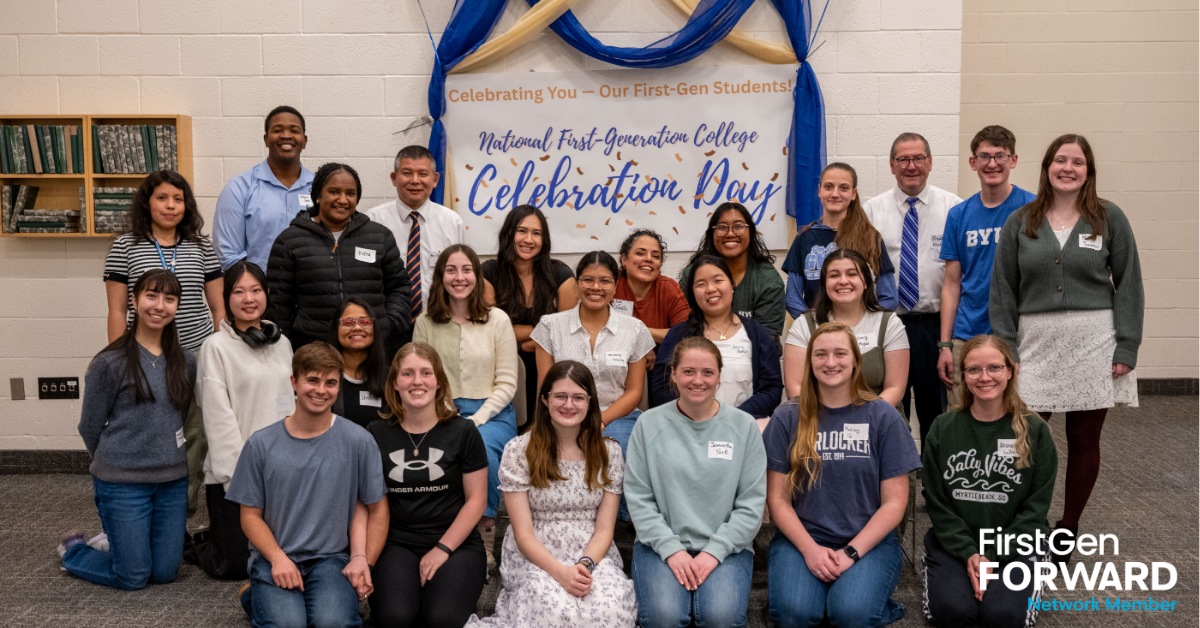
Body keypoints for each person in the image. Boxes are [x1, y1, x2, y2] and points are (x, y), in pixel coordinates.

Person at [990, 133, 1143, 554]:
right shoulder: (1021, 221)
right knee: (1022, 436)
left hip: (1094, 339)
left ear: (1088, 172)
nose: (1068, 168)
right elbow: (1003, 289)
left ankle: (1067, 528)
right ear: (1046, 168)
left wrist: (1126, 346)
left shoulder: (1109, 218)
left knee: (1084, 440)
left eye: (1078, 162)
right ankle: (1025, 520)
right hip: (1034, 342)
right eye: (1060, 160)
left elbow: (1129, 283)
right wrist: (1007, 350)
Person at [763, 322, 921, 628]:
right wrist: (810, 550)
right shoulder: (787, 417)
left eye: (840, 353)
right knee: (794, 615)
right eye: (820, 354)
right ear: (809, 362)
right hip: (802, 538)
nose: (830, 362)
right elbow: (778, 500)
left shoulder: (883, 416)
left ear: (856, 361)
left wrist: (850, 553)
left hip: (867, 540)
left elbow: (894, 505)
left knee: (851, 615)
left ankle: (867, 603)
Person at [227, 342, 388, 628]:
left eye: (330, 382)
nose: (320, 390)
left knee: (332, 623)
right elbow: (249, 517)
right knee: (289, 625)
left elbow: (377, 509)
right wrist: (277, 559)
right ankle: (257, 596)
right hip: (276, 555)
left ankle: (269, 600)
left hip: (331, 559)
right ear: (294, 382)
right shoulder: (260, 444)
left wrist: (365, 561)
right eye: (312, 380)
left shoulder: (358, 441)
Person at [466, 361, 637, 628]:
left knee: (610, 610)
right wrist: (561, 573)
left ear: (590, 402)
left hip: (591, 550)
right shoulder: (519, 451)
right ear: (545, 399)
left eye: (578, 397)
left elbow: (605, 530)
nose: (569, 404)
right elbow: (523, 534)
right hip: (536, 551)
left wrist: (585, 565)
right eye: (560, 395)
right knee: (555, 611)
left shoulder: (608, 452)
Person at [62, 270, 196, 590]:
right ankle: (75, 550)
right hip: (122, 483)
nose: (159, 305)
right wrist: (116, 463)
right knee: (133, 577)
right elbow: (89, 426)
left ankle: (126, 545)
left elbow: (182, 416)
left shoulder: (186, 362)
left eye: (169, 298)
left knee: (164, 573)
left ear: (177, 306)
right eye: (151, 295)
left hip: (171, 481)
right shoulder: (109, 362)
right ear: (134, 300)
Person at [103, 169, 223, 515]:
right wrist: (119, 360)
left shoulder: (201, 245)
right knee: (154, 429)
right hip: (145, 355)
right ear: (147, 202)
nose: (171, 206)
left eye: (178, 199)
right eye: (162, 198)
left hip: (196, 351)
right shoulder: (126, 245)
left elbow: (217, 306)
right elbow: (116, 310)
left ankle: (179, 510)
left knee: (196, 433)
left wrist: (221, 352)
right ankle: (144, 503)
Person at [627, 337, 767, 628]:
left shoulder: (744, 427)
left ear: (719, 376)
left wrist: (714, 552)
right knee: (664, 618)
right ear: (673, 374)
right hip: (660, 545)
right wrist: (672, 549)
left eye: (708, 372)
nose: (698, 381)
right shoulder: (648, 424)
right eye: (688, 371)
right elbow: (639, 498)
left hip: (727, 547)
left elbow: (751, 505)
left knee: (721, 618)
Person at [922, 335, 1058, 628]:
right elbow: (938, 502)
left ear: (1011, 371)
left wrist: (991, 556)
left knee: (1003, 616)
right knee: (953, 612)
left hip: (1019, 542)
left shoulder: (1036, 430)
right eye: (974, 370)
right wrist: (971, 553)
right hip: (957, 541)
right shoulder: (943, 428)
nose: (984, 377)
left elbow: (1035, 509)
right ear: (963, 376)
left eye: (994, 368)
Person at [366, 343, 489, 628]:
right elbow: (368, 503)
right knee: (395, 618)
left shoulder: (464, 432)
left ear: (439, 382)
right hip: (396, 543)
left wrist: (442, 549)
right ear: (395, 383)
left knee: (442, 619)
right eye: (407, 374)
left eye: (425, 373)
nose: (417, 381)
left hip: (456, 544)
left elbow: (476, 501)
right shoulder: (376, 433)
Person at [414, 244, 518, 562]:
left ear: (477, 275)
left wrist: (476, 419)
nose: (459, 277)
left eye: (466, 270)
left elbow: (508, 383)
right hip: (439, 410)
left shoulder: (498, 320)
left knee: (480, 449)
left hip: (494, 413)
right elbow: (420, 377)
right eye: (451, 270)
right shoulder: (426, 323)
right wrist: (446, 413)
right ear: (440, 276)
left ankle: (484, 535)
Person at [531, 251, 654, 520]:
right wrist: (570, 416)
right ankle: (568, 515)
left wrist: (600, 420)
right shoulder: (550, 326)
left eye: (604, 281)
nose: (595, 287)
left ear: (615, 285)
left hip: (616, 415)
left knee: (619, 446)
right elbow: (546, 386)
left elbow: (634, 391)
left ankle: (622, 521)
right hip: (562, 411)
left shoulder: (634, 329)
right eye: (587, 280)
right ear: (576, 284)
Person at [193, 261, 294, 580]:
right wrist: (238, 478)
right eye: (238, 292)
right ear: (227, 298)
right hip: (235, 474)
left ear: (267, 294)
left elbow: (289, 405)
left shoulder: (282, 343)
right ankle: (199, 546)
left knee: (284, 552)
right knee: (235, 567)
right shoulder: (215, 347)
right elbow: (216, 417)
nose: (248, 299)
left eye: (255, 290)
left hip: (279, 467)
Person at [863, 132, 964, 450]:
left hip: (936, 325)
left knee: (937, 410)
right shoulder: (871, 211)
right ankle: (897, 482)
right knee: (890, 409)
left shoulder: (954, 209)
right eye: (903, 159)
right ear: (892, 165)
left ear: (930, 163)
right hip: (889, 326)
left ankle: (935, 487)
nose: (911, 166)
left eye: (918, 158)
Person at [938, 125, 1036, 408]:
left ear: (1013, 160)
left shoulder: (1033, 209)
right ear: (973, 163)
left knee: (1019, 419)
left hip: (1020, 335)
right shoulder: (959, 215)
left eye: (1000, 156)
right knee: (963, 417)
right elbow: (951, 283)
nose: (992, 164)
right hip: (968, 333)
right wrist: (945, 344)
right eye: (984, 156)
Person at [266, 162, 412, 351]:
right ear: (318, 195)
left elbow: (399, 287)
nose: (343, 200)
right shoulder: (290, 240)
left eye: (350, 193)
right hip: (315, 351)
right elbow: (279, 304)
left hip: (371, 349)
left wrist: (388, 325)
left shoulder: (379, 236)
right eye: (334, 191)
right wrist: (290, 346)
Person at [651, 256, 782, 423]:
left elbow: (771, 389)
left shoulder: (757, 333)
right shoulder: (678, 334)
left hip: (744, 424)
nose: (710, 289)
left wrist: (731, 418)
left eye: (718, 280)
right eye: (701, 284)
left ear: (732, 285)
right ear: (693, 293)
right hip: (688, 427)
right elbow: (660, 390)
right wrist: (697, 417)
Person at [783, 249, 909, 410]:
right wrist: (833, 421)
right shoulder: (804, 325)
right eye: (834, 275)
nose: (843, 281)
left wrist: (861, 420)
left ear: (866, 282)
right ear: (824, 284)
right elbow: (795, 389)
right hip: (819, 421)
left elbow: (895, 389)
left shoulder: (889, 323)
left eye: (852, 274)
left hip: (880, 420)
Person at [481, 204, 576, 414]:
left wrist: (519, 340)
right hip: (500, 366)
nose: (529, 240)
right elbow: (489, 330)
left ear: (544, 240)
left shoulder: (561, 275)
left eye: (537, 233)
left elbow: (564, 335)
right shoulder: (489, 272)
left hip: (552, 367)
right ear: (508, 234)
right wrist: (539, 335)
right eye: (522, 231)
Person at [782, 162, 898, 317]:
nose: (835, 194)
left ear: (853, 193)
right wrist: (815, 325)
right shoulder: (804, 239)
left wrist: (866, 324)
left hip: (862, 334)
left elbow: (889, 297)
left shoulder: (870, 237)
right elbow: (792, 299)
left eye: (843, 188)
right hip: (819, 331)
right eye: (828, 187)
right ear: (819, 191)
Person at [367, 145, 467, 323]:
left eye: (423, 174)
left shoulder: (453, 222)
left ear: (435, 179)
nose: (415, 180)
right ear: (394, 178)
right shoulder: (373, 221)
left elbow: (462, 277)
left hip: (439, 321)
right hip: (388, 322)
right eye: (407, 173)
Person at [213, 105, 314, 271]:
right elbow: (227, 255)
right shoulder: (239, 188)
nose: (286, 135)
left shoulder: (321, 189)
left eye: (294, 130)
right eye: (277, 130)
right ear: (266, 139)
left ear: (304, 141)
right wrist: (255, 289)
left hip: (311, 292)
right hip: (258, 293)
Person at [681, 201, 785, 338]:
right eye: (722, 227)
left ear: (751, 232)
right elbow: (681, 328)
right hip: (700, 352)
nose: (730, 233)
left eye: (738, 226)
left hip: (752, 356)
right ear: (712, 234)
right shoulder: (692, 275)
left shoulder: (768, 279)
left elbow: (766, 341)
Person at [613, 229, 690, 345]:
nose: (649, 259)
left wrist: (642, 334)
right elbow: (596, 327)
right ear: (624, 260)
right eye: (640, 253)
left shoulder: (668, 288)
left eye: (655, 256)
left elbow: (685, 335)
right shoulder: (610, 284)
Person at [328, 298, 392, 429]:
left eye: (364, 321)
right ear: (336, 328)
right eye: (348, 322)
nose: (357, 327)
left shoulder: (390, 377)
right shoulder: (324, 376)